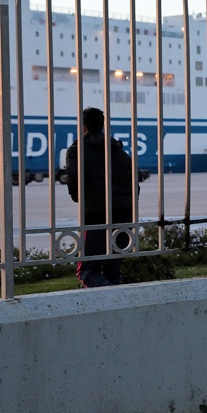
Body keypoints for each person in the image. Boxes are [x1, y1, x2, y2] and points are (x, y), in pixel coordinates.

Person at [65, 107, 139, 287]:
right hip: (125, 216)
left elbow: (75, 183)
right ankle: (119, 307)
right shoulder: (119, 151)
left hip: (96, 216)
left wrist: (81, 200)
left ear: (83, 127)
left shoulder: (77, 150)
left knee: (87, 271)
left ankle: (111, 304)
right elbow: (135, 185)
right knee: (113, 270)